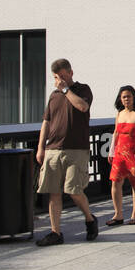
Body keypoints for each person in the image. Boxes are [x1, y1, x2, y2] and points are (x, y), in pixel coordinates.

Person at [34, 59, 101, 246]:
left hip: (76, 149)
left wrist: (66, 90)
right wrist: (41, 148)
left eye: (63, 76)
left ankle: (89, 219)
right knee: (53, 192)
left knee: (73, 190)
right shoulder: (53, 96)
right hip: (53, 149)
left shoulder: (82, 89)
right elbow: (46, 122)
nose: (60, 80)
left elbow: (82, 107)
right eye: (56, 78)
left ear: (70, 73)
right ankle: (56, 232)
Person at [108, 85, 135, 226]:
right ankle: (118, 214)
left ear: (134, 97)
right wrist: (111, 150)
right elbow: (116, 132)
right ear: (120, 99)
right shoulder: (119, 113)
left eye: (129, 96)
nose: (126, 99)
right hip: (120, 152)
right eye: (124, 97)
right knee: (115, 181)